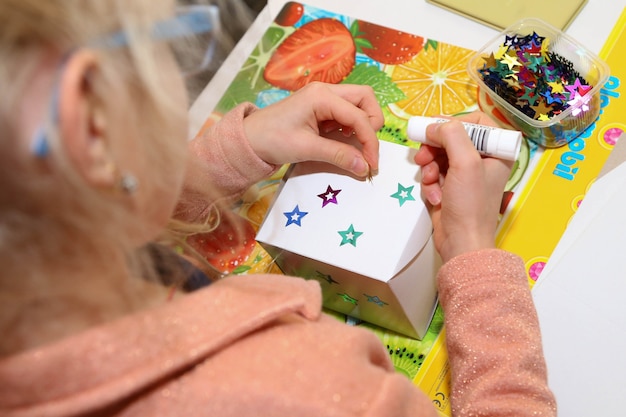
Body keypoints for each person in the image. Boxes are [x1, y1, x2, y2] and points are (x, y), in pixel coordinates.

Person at [0, 1, 556, 416]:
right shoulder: (316, 389)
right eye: (174, 39)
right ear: (90, 121)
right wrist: (475, 254)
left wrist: (237, 151)